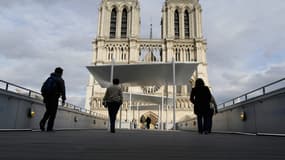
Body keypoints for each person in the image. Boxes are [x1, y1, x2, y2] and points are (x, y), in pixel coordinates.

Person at [40, 67, 66, 132]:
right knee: (53, 113)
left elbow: (43, 88)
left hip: (46, 97)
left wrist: (44, 96)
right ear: (61, 73)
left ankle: (42, 122)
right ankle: (49, 128)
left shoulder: (49, 78)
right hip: (54, 97)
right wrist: (63, 99)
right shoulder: (60, 80)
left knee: (48, 111)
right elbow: (63, 90)